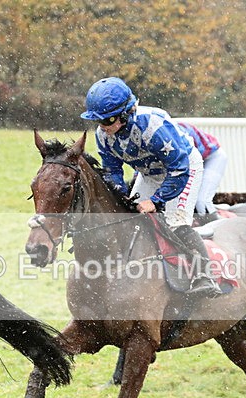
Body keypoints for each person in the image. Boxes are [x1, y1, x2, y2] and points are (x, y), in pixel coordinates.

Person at [80, 76, 220, 297]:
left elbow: (178, 168)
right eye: (98, 121)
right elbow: (113, 171)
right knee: (129, 216)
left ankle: (205, 275)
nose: (102, 127)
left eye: (107, 121)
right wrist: (121, 197)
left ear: (124, 115)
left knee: (175, 221)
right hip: (149, 173)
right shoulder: (103, 136)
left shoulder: (152, 126)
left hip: (183, 168)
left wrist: (156, 201)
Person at [177, 122, 228, 223]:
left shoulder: (174, 134)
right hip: (191, 160)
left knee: (201, 202)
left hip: (212, 157)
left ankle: (216, 225)